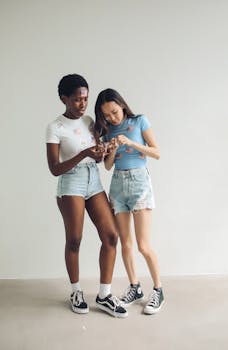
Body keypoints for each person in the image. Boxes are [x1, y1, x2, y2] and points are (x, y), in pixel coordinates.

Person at [46, 75, 127, 318]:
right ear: (64, 99)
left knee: (111, 237)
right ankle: (75, 291)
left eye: (85, 99)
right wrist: (83, 153)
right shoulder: (55, 127)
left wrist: (102, 152)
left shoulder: (90, 121)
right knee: (75, 239)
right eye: (77, 100)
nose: (83, 104)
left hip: (93, 182)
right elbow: (54, 168)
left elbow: (98, 159)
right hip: (70, 184)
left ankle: (104, 295)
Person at [94, 88, 164, 315]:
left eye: (114, 112)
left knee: (144, 245)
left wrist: (132, 144)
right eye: (107, 115)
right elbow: (107, 166)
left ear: (122, 105)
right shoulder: (108, 131)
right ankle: (135, 287)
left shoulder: (140, 121)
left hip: (140, 183)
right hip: (118, 186)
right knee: (125, 244)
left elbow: (157, 153)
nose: (112, 118)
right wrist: (112, 149)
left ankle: (158, 290)